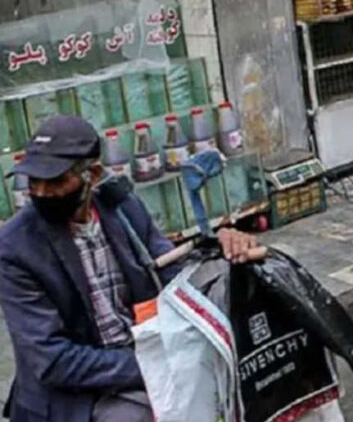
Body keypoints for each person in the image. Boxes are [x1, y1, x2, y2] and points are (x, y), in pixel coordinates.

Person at [0, 115, 260, 422]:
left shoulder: (121, 208)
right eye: (33, 182)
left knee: (235, 383)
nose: (41, 193)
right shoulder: (15, 247)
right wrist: (150, 365)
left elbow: (173, 272)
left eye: (56, 181)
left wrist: (224, 249)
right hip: (76, 391)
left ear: (92, 175)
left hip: (141, 353)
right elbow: (52, 360)